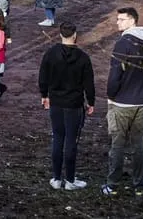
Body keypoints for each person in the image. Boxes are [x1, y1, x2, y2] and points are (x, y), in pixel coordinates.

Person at [39, 21, 97, 191]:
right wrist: (91, 102)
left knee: (58, 138)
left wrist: (44, 95)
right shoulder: (83, 57)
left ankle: (57, 178)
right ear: (75, 35)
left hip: (56, 102)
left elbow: (43, 77)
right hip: (74, 104)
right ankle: (70, 180)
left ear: (60, 35)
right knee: (71, 141)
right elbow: (89, 83)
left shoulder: (50, 54)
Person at [103, 7, 143, 197]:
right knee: (138, 143)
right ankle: (139, 184)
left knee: (117, 144)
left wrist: (111, 95)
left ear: (132, 21)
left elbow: (115, 74)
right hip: (142, 101)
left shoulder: (123, 43)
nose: (117, 22)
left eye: (121, 19)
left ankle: (113, 184)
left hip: (122, 102)